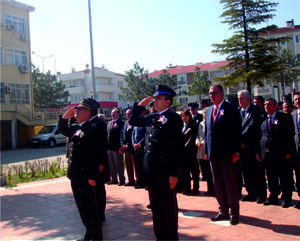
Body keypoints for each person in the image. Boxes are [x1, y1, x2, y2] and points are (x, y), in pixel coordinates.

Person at [129, 84, 184, 240]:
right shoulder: (152, 117)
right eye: (155, 98)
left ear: (168, 102)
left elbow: (177, 148)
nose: (155, 101)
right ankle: (160, 237)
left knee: (168, 208)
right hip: (152, 171)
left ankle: (171, 237)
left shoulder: (174, 118)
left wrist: (175, 173)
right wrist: (140, 105)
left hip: (166, 172)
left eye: (159, 98)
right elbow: (134, 120)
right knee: (156, 207)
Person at [58, 98, 107, 240]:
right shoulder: (75, 127)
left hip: (87, 175)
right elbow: (62, 129)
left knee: (92, 208)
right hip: (75, 175)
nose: (76, 112)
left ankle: (96, 235)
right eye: (76, 110)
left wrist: (93, 176)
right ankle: (88, 232)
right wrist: (64, 118)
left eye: (80, 110)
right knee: (82, 207)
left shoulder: (93, 128)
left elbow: (94, 154)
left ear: (89, 112)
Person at [205, 84, 242, 225]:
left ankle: (234, 212)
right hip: (213, 154)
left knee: (230, 184)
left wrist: (236, 151)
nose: (211, 96)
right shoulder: (209, 111)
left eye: (214, 93)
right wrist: (208, 151)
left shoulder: (231, 109)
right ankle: (223, 211)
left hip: (227, 154)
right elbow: (208, 133)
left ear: (221, 94)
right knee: (218, 184)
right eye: (210, 93)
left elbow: (237, 132)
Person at [259, 98, 296, 208]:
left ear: (275, 106)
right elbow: (262, 136)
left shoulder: (284, 117)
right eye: (265, 105)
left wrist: (289, 151)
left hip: (282, 153)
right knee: (271, 176)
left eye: (269, 104)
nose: (267, 106)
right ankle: (273, 196)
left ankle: (286, 198)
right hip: (268, 154)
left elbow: (290, 135)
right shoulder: (264, 119)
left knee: (285, 176)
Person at [238, 90, 267, 204]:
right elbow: (235, 127)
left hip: (253, 146)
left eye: (241, 98)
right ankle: (251, 193)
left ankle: (261, 194)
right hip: (242, 148)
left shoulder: (255, 111)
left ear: (248, 99)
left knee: (257, 171)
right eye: (239, 99)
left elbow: (252, 127)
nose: (239, 101)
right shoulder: (239, 111)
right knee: (246, 171)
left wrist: (240, 138)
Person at [178, 108, 199, 195]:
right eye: (182, 116)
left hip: (191, 152)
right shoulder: (182, 126)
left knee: (194, 171)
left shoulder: (193, 125)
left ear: (189, 116)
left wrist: (184, 147)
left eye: (186, 116)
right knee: (185, 171)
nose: (184, 118)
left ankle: (195, 188)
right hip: (183, 153)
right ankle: (186, 187)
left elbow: (192, 139)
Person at [196, 108, 214, 196]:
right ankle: (208, 189)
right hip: (201, 150)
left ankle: (213, 189)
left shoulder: (212, 123)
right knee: (205, 171)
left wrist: (203, 143)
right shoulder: (201, 124)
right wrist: (197, 142)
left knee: (211, 171)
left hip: (208, 150)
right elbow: (198, 135)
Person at [107, 108, 125, 185]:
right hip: (110, 148)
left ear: (118, 114)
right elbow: (107, 135)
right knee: (111, 164)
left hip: (117, 148)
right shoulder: (109, 123)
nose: (112, 114)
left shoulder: (121, 123)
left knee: (119, 164)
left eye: (114, 113)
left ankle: (122, 179)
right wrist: (107, 148)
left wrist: (121, 146)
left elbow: (122, 135)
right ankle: (114, 179)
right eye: (112, 113)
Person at [132, 106, 147, 189]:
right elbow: (133, 134)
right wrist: (134, 143)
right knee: (137, 166)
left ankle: (145, 182)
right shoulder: (137, 122)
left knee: (144, 166)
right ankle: (140, 181)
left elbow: (146, 135)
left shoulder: (146, 121)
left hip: (143, 148)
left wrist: (140, 144)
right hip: (136, 147)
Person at [120, 109, 136, 186]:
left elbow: (133, 135)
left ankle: (138, 181)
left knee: (135, 166)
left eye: (129, 113)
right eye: (127, 114)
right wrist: (122, 144)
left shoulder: (135, 122)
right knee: (128, 165)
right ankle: (131, 180)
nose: (128, 115)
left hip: (132, 148)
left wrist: (129, 144)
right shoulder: (125, 123)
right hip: (126, 149)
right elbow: (122, 134)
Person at [292, 92, 300, 209]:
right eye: (296, 99)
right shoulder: (293, 114)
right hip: (297, 149)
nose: (297, 101)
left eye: (299, 99)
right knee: (298, 174)